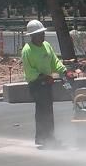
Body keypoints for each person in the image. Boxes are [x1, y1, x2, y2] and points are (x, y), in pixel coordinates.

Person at [21, 20, 69, 148]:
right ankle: (43, 138)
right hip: (36, 85)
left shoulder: (46, 45)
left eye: (42, 33)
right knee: (42, 111)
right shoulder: (27, 50)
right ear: (32, 36)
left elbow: (54, 61)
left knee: (48, 110)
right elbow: (30, 72)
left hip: (47, 83)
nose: (42, 36)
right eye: (39, 34)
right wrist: (43, 78)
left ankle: (48, 137)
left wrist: (64, 71)